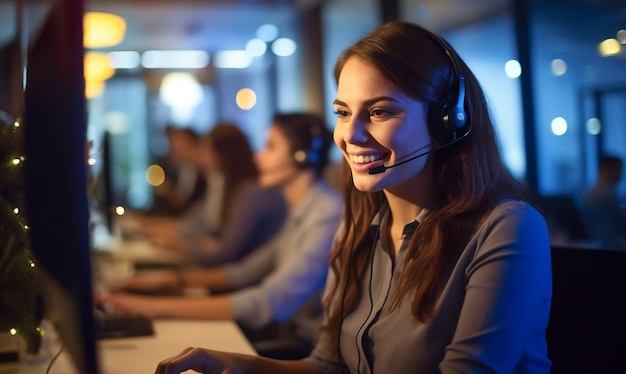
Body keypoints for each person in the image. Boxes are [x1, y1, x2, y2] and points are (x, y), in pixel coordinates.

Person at [151, 21, 553, 374]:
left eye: (379, 112)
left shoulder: (508, 228)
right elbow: (328, 366)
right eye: (343, 112)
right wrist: (241, 364)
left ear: (447, 122)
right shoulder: (360, 227)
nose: (351, 135)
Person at [101, 112, 343, 357]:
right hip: (287, 336)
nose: (258, 158)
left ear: (302, 156)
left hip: (307, 349)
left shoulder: (326, 214)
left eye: (270, 147)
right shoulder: (301, 211)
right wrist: (171, 281)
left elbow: (269, 302)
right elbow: (244, 272)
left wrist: (155, 307)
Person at [122, 123, 288, 266]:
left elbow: (225, 252)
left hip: (231, 276)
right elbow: (193, 226)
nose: (258, 157)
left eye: (270, 146)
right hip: (228, 273)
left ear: (225, 154)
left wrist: (181, 247)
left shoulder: (253, 194)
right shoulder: (220, 183)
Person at [150, 126, 207, 217]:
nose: (173, 150)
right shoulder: (183, 170)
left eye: (178, 145)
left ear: (192, 144)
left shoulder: (205, 173)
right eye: (172, 145)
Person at [580, 154, 626, 249]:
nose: (620, 174)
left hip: (601, 242)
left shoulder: (590, 192)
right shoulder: (605, 193)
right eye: (618, 170)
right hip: (611, 244)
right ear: (606, 170)